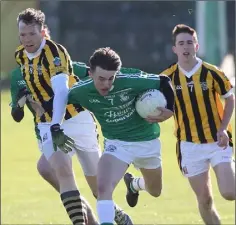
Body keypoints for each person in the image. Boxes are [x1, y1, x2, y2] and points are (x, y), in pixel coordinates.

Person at [14, 8, 132, 225]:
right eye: (22, 34)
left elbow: (61, 91)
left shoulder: (56, 53)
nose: (27, 39)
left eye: (31, 33)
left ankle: (118, 215)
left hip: (76, 119)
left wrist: (56, 125)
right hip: (47, 125)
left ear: (42, 32)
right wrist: (21, 105)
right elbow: (33, 92)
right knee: (61, 170)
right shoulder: (20, 56)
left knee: (98, 188)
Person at [68, 47, 175, 225]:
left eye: (111, 78)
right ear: (91, 73)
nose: (106, 84)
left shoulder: (130, 79)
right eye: (101, 79)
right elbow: (57, 101)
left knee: (155, 190)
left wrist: (170, 110)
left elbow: (164, 81)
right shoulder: (80, 91)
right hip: (117, 144)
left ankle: (134, 185)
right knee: (103, 188)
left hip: (147, 141)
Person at [159, 24, 235, 225]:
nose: (186, 47)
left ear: (197, 45)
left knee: (230, 192)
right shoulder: (166, 77)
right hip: (189, 145)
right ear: (174, 48)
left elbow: (230, 99)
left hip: (217, 140)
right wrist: (158, 116)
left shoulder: (212, 73)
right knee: (205, 200)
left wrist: (223, 129)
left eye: (190, 42)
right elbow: (164, 107)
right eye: (181, 43)